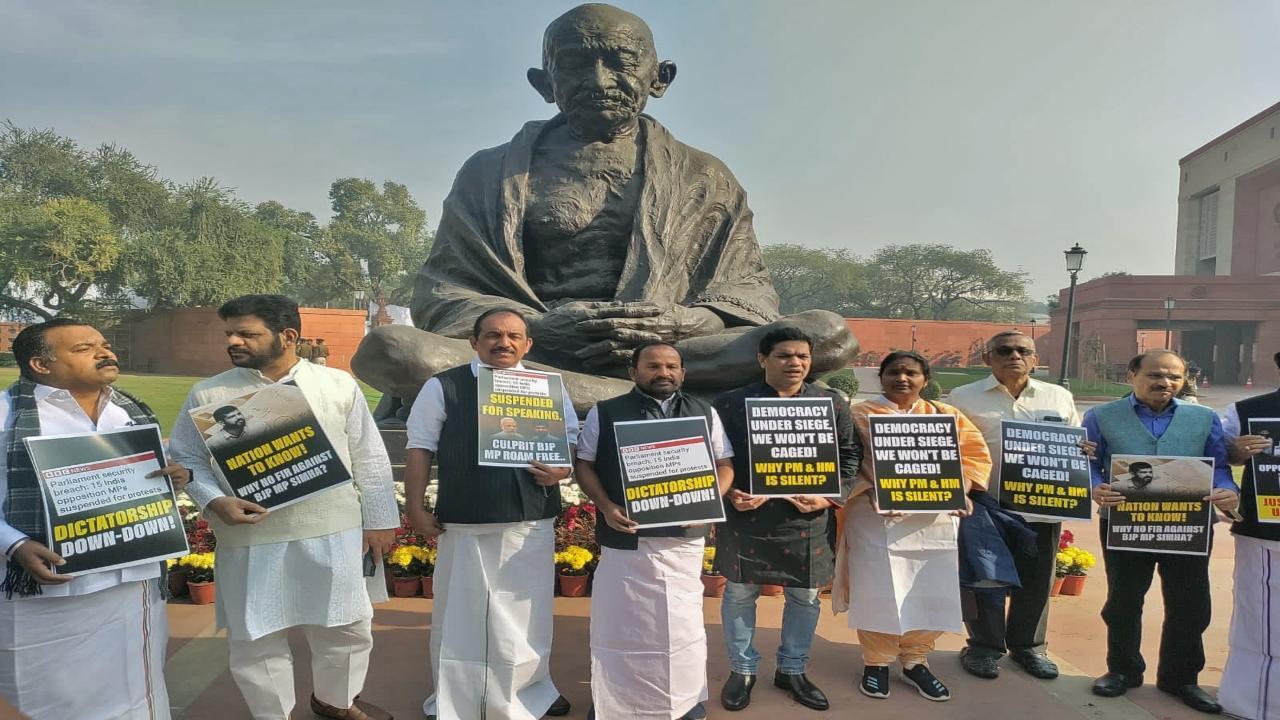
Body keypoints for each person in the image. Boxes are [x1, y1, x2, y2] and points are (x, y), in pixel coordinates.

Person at [355, 4, 856, 411]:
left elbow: (745, 293)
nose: (597, 79)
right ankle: (633, 403)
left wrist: (681, 323)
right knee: (393, 350)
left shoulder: (706, 176)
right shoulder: (489, 173)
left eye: (619, 60)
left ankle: (573, 398)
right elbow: (446, 289)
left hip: (673, 351)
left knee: (827, 335)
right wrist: (534, 328)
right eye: (574, 64)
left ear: (659, 77)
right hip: (534, 347)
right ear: (543, 82)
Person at [169, 295, 398, 720]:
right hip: (252, 534)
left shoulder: (337, 384)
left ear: (288, 336)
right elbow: (186, 460)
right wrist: (214, 500)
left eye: (247, 334)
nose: (233, 341)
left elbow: (369, 455)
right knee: (255, 635)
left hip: (333, 526)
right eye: (230, 333)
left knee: (347, 626)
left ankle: (336, 701)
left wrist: (381, 520)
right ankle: (273, 714)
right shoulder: (211, 391)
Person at [0, 318, 191, 719]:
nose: (105, 352)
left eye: (104, 344)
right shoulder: (6, 415)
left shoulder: (129, 412)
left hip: (133, 586)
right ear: (40, 364)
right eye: (85, 348)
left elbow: (152, 480)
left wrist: (176, 478)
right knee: (45, 698)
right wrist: (13, 544)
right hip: (47, 595)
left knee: (137, 689)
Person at [404, 308, 579, 720]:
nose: (504, 343)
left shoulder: (545, 388)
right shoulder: (443, 386)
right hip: (466, 517)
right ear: (474, 341)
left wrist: (561, 469)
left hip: (530, 517)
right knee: (461, 611)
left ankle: (532, 689)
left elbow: (569, 442)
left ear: (528, 344)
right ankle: (457, 696)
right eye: (494, 335)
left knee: (527, 612)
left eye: (514, 336)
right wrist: (415, 506)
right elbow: (419, 447)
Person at [574, 340, 734, 720]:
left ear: (683, 372)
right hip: (626, 539)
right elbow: (584, 464)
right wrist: (606, 506)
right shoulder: (607, 412)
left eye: (671, 366)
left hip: (683, 541)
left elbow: (724, 464)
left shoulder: (703, 411)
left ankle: (683, 701)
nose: (663, 372)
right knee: (620, 625)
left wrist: (710, 502)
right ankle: (613, 699)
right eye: (653, 366)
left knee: (682, 627)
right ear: (633, 372)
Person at [712, 327, 862, 712]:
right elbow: (714, 458)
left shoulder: (832, 403)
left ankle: (792, 669)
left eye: (802, 356)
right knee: (740, 594)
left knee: (804, 597)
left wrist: (829, 497)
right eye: (784, 356)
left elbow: (848, 457)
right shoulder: (730, 403)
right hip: (747, 517)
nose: (794, 363)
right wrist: (729, 493)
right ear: (763, 359)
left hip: (807, 519)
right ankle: (742, 670)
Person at [1083, 349, 1240, 714]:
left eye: (1174, 377)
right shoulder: (1101, 416)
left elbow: (1217, 464)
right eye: (1155, 375)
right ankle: (1122, 670)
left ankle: (1180, 677)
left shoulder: (1203, 418)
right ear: (1132, 376)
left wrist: (1227, 488)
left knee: (1191, 604)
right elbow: (1088, 462)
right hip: (1126, 524)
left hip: (1187, 525)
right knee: (1123, 601)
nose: (1164, 383)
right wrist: (1095, 485)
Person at [834, 350, 991, 703]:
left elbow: (975, 456)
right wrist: (868, 488)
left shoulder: (945, 414)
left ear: (925, 379)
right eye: (893, 372)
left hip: (935, 521)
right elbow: (845, 461)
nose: (902, 379)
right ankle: (876, 661)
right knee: (876, 589)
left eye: (911, 373)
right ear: (880, 377)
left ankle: (916, 658)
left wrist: (960, 490)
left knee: (930, 586)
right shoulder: (858, 415)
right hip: (875, 519)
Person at [949, 330, 1089, 682]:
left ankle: (1029, 646)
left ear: (1035, 359)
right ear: (988, 358)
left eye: (1023, 351)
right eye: (1004, 350)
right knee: (984, 577)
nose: (1014, 356)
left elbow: (1077, 446)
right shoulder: (964, 397)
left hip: (1043, 503)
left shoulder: (1058, 397)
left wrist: (1084, 452)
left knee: (1038, 578)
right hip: (986, 504)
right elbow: (952, 449)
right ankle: (984, 647)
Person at [1216, 350, 1280, 720]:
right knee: (1263, 619)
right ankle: (1257, 703)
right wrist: (1237, 451)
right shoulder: (1248, 411)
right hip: (1266, 534)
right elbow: (1218, 456)